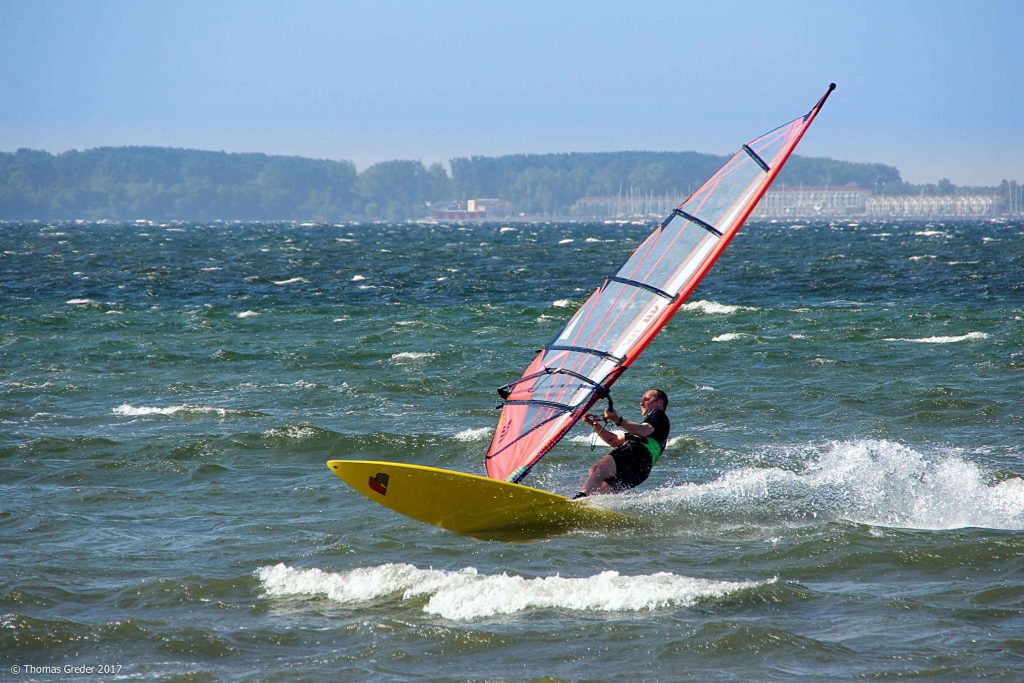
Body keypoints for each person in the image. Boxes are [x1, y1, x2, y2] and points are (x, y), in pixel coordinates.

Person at [573, 388, 670, 498]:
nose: (641, 403)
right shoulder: (649, 432)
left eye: (646, 399)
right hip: (641, 471)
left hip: (635, 455)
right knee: (599, 492)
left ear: (659, 402)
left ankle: (579, 498)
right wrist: (594, 423)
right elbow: (613, 440)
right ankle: (585, 506)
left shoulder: (658, 415)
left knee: (597, 469)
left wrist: (618, 420)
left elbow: (644, 430)